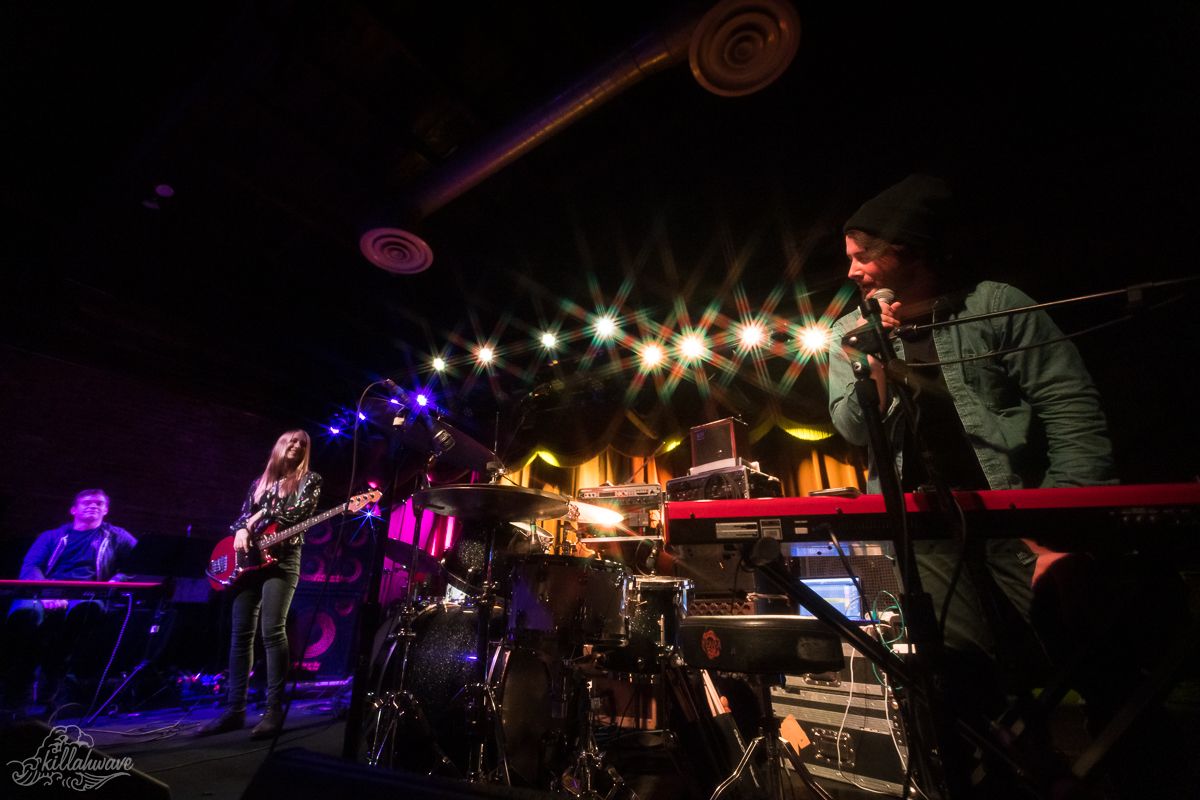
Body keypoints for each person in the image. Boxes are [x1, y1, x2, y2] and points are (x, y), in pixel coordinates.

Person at [826, 174, 1119, 788]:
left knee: (1100, 673)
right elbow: (854, 428)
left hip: (1020, 523)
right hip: (923, 534)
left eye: (863, 253)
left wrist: (1063, 526)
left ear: (910, 250)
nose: (850, 269)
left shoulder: (996, 306)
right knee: (952, 687)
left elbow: (1072, 410)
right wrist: (873, 359)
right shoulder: (850, 334)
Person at [197, 430, 322, 739]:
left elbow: (299, 513)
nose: (296, 446)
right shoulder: (259, 483)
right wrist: (240, 529)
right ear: (279, 446)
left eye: (302, 444)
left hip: (283, 560)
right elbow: (242, 517)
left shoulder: (311, 480)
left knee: (272, 631)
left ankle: (273, 711)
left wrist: (262, 513)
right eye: (291, 442)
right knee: (240, 634)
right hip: (249, 562)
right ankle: (234, 710)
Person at [2, 488, 138, 712]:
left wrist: (116, 580)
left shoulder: (116, 536)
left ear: (106, 510)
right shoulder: (51, 536)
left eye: (98, 503)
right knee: (25, 616)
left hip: (87, 594)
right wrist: (47, 594)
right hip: (44, 592)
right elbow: (31, 566)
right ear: (73, 509)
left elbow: (140, 559)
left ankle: (50, 690)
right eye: (86, 502)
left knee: (82, 615)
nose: (93, 506)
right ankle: (17, 695)